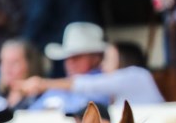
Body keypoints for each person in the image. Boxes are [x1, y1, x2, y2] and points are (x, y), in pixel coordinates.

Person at [20, 36, 165, 108]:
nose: (102, 65)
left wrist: (42, 84)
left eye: (107, 59)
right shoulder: (120, 87)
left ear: (123, 60)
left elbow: (87, 84)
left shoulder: (136, 75)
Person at [25, 22, 113, 114]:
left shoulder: (105, 83)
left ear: (95, 58)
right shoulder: (58, 87)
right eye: (67, 57)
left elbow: (92, 110)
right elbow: (31, 113)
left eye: (77, 57)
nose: (70, 62)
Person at [0, 38, 46, 111]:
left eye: (14, 62)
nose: (7, 68)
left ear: (30, 65)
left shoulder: (42, 100)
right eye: (3, 61)